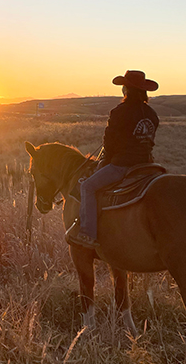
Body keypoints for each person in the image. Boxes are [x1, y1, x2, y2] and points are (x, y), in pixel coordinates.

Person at [66, 70, 160, 249]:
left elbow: (110, 142)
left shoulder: (120, 112)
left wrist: (105, 161)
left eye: (124, 87)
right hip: (148, 165)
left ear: (127, 90)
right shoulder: (151, 114)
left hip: (123, 165)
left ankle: (87, 234)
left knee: (88, 186)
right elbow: (149, 141)